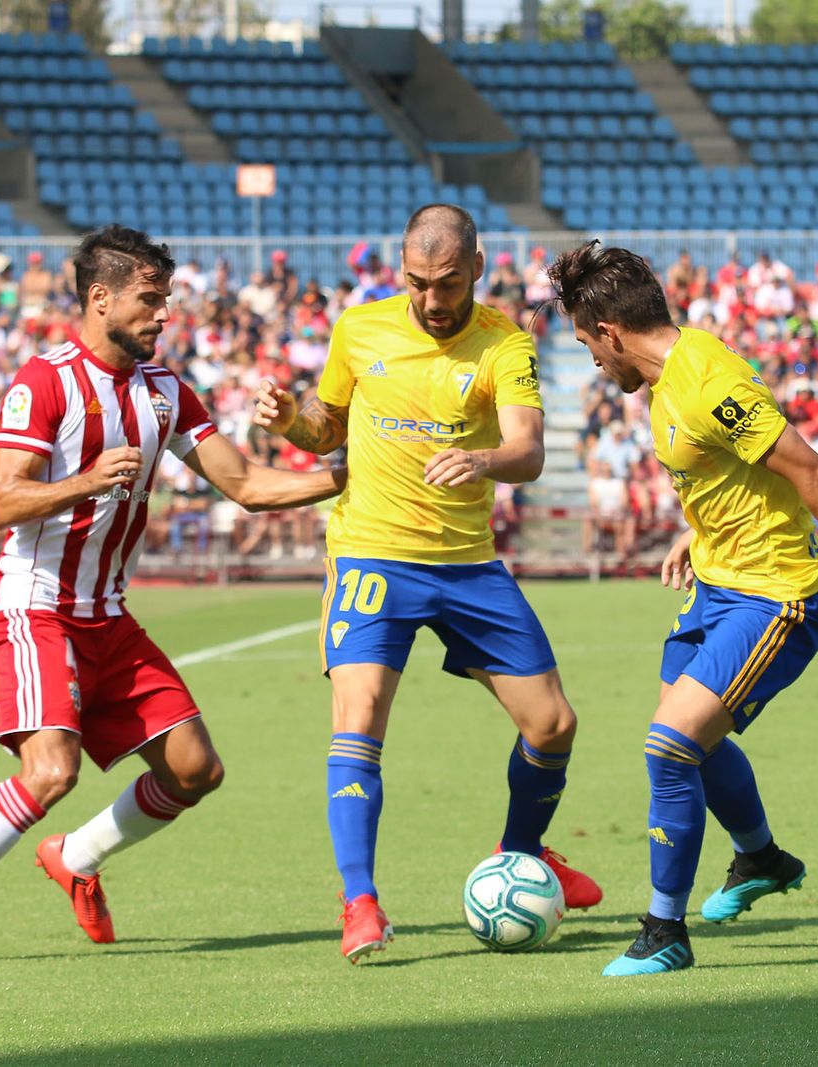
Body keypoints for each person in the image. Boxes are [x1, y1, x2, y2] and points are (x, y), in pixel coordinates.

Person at [0, 225, 347, 970]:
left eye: (167, 299)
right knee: (51, 771)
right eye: (150, 299)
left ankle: (77, 856)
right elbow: (2, 502)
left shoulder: (166, 390)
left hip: (109, 617)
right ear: (100, 298)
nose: (164, 314)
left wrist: (346, 479)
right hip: (37, 606)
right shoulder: (43, 382)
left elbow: (248, 485)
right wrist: (86, 481)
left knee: (195, 770)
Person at [546, 241, 818, 977]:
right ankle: (761, 858)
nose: (590, 360)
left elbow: (810, 470)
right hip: (716, 585)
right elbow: (725, 471)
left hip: (777, 594)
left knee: (669, 746)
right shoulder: (665, 379)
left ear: (611, 333)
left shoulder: (705, 381)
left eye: (587, 343)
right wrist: (696, 533)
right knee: (698, 740)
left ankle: (665, 929)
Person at [253, 204, 602, 964]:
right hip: (372, 556)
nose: (431, 299)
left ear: (476, 267)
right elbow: (326, 426)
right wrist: (289, 423)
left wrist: (483, 460)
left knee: (552, 725)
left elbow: (528, 450)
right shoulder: (360, 329)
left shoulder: (505, 341)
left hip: (467, 562)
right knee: (359, 717)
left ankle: (522, 853)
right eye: (417, 282)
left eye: (446, 283)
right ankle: (360, 902)